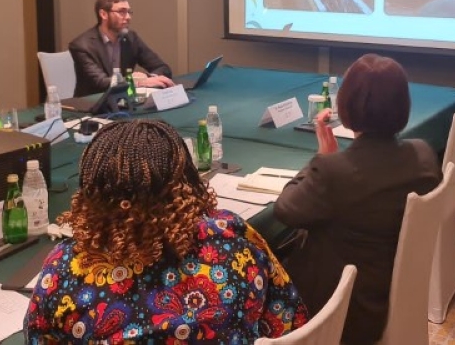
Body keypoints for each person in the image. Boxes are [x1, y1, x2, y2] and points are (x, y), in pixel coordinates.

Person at [24, 119, 307, 343]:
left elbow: (37, 336)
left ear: (91, 195)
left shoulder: (65, 269)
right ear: (187, 182)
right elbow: (288, 322)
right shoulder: (233, 237)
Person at [274, 54, 443, 345]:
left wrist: (320, 159)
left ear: (346, 106)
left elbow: (285, 209)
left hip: (340, 311)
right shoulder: (424, 155)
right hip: (388, 293)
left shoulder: (333, 172)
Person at [69, 0, 174, 96]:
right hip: (92, 102)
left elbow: (162, 68)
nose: (128, 17)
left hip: (123, 99)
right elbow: (101, 83)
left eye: (129, 12)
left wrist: (149, 77)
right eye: (122, 12)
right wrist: (138, 82)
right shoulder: (81, 46)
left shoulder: (131, 38)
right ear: (103, 14)